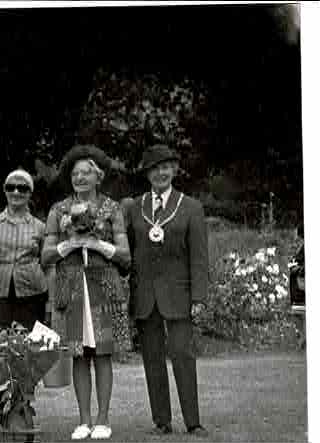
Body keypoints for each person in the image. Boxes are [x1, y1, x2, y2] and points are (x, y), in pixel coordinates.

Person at [42, 144, 131, 441]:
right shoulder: (59, 210)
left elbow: (125, 256)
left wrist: (97, 244)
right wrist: (69, 244)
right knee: (78, 355)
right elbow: (45, 256)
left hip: (103, 285)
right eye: (75, 173)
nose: (79, 178)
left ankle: (103, 419)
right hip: (71, 286)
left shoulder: (112, 209)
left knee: (102, 354)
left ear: (98, 176)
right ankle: (83, 420)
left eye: (86, 173)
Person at [125, 144, 208, 437]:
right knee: (152, 358)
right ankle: (162, 421)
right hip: (145, 296)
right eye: (155, 168)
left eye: (166, 166)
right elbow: (128, 253)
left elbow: (199, 258)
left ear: (174, 170)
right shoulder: (135, 207)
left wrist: (199, 297)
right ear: (147, 174)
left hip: (180, 295)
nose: (161, 172)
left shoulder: (192, 207)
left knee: (183, 354)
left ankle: (193, 422)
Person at [0, 169, 48, 332]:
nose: (16, 192)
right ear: (4, 190)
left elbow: (47, 263)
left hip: (32, 294)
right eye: (11, 187)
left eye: (22, 188)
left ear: (30, 193)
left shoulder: (40, 227)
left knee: (31, 343)